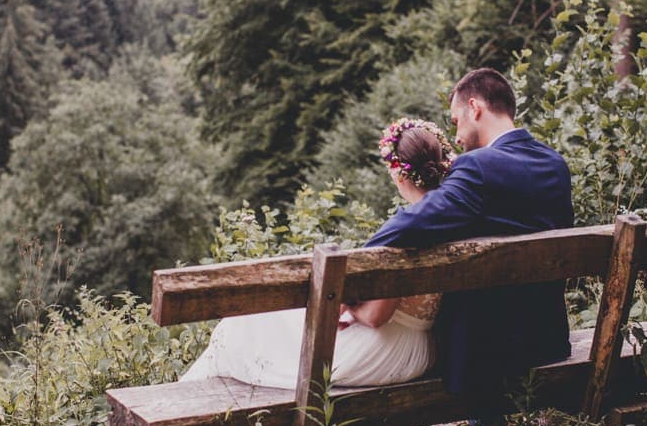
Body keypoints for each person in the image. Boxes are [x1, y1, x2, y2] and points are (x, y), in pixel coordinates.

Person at [180, 118, 455, 389]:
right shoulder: (453, 218)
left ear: (398, 173)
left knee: (239, 326)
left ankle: (183, 402)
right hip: (423, 346)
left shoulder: (406, 229)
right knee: (262, 327)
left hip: (387, 350)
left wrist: (353, 312)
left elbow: (376, 317)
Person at [365, 68, 574, 398]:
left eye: (456, 120)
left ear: (475, 108)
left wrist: (358, 258)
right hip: (547, 340)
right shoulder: (555, 165)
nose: (456, 135)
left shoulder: (477, 167)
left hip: (483, 355)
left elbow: (417, 222)